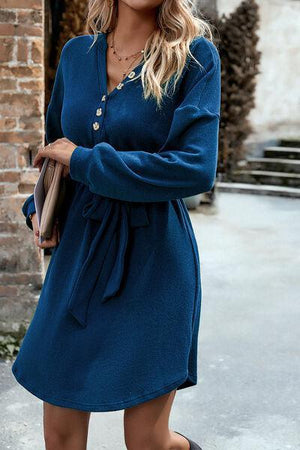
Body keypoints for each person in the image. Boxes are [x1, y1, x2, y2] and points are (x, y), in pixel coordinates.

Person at [12, 0, 221, 448]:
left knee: (147, 439)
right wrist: (39, 209)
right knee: (61, 432)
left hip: (154, 259)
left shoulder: (195, 56)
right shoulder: (75, 55)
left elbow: (195, 169)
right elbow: (57, 152)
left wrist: (87, 162)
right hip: (79, 257)